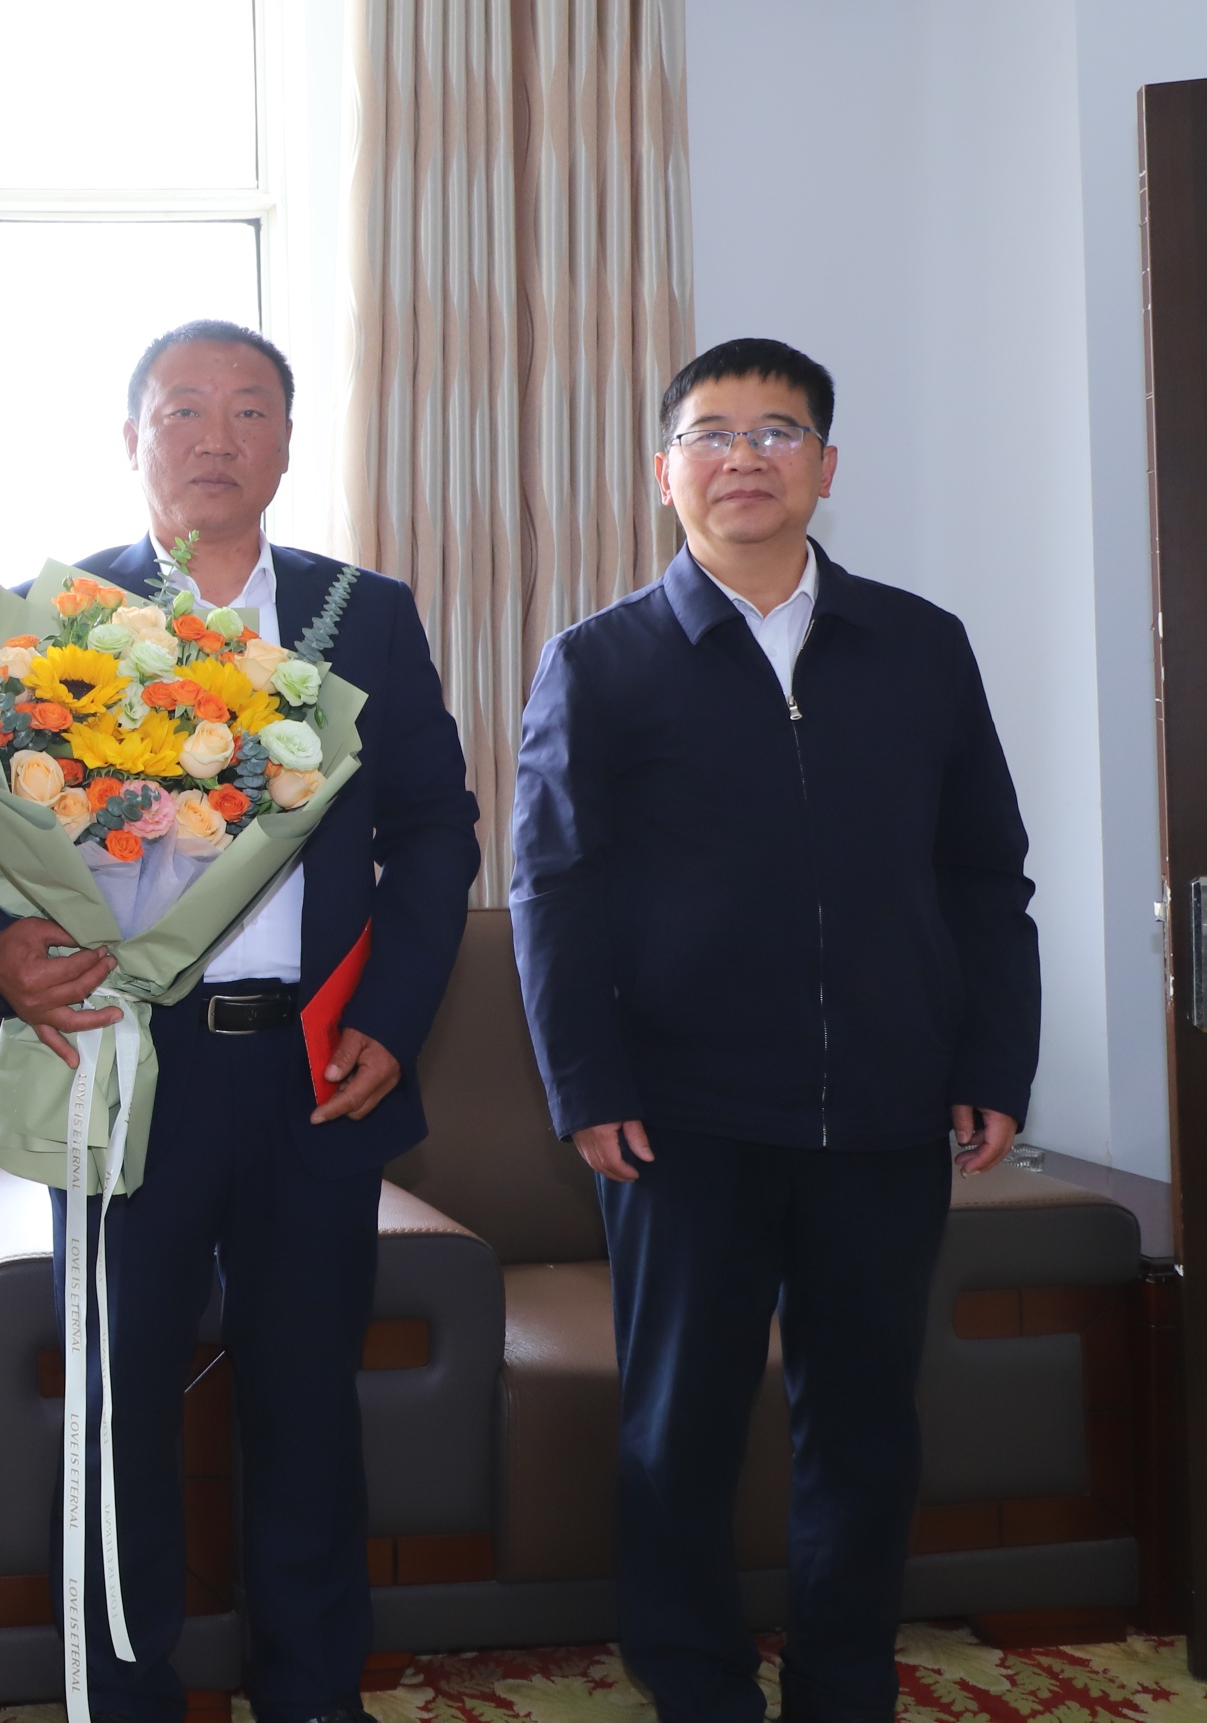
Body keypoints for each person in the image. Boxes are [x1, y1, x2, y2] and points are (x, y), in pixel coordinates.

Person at [0, 320, 479, 1723]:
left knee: (306, 1405)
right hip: (125, 1062)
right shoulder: (60, 616)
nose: (215, 437)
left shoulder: (364, 615)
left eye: (248, 410)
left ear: (288, 441)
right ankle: (121, 1697)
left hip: (311, 1064)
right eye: (182, 410)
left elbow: (434, 828)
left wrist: (395, 1017)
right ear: (133, 439)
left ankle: (312, 1697)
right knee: (116, 1408)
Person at [511, 337, 1038, 1723]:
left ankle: (842, 1686)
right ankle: (694, 1685)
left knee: (863, 1426)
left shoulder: (919, 646)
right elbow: (552, 888)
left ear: (825, 465)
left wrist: (992, 1059)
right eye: (712, 432)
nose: (743, 456)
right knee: (677, 1425)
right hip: (679, 1114)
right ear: (664, 471)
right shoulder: (601, 662)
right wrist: (586, 1081)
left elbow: (983, 872)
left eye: (777, 431)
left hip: (884, 1105)